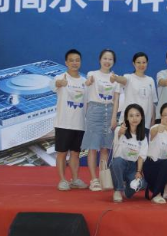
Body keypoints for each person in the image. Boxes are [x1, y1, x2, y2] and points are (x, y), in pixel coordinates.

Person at [82, 49, 120, 192]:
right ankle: (94, 179)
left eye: (110, 59)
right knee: (93, 147)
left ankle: (103, 178)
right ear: (100, 59)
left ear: (113, 62)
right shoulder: (92, 74)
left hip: (109, 111)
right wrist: (88, 82)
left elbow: (116, 100)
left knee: (105, 148)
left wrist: (114, 118)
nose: (107, 61)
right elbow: (87, 84)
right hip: (94, 110)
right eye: (105, 58)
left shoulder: (115, 78)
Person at [54, 49, 88, 191]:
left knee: (75, 153)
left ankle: (75, 179)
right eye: (71, 60)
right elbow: (53, 85)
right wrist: (59, 83)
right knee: (62, 153)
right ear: (66, 62)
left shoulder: (85, 81)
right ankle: (62, 180)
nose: (75, 63)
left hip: (79, 124)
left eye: (77, 60)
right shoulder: (60, 77)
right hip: (63, 123)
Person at [109, 104, 148, 202]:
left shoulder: (143, 136)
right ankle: (118, 190)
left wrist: (138, 171)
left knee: (143, 183)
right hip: (120, 164)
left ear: (141, 117)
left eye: (137, 115)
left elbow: (141, 157)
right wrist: (120, 133)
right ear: (126, 117)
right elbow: (117, 137)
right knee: (117, 162)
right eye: (131, 115)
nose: (134, 118)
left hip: (133, 167)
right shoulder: (120, 130)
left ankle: (127, 192)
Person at [111, 52, 157, 131]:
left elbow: (153, 103)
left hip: (145, 123)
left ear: (147, 63)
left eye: (144, 62)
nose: (141, 65)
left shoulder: (150, 80)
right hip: (128, 122)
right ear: (133, 63)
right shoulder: (128, 77)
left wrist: (153, 121)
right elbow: (122, 80)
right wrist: (116, 78)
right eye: (138, 62)